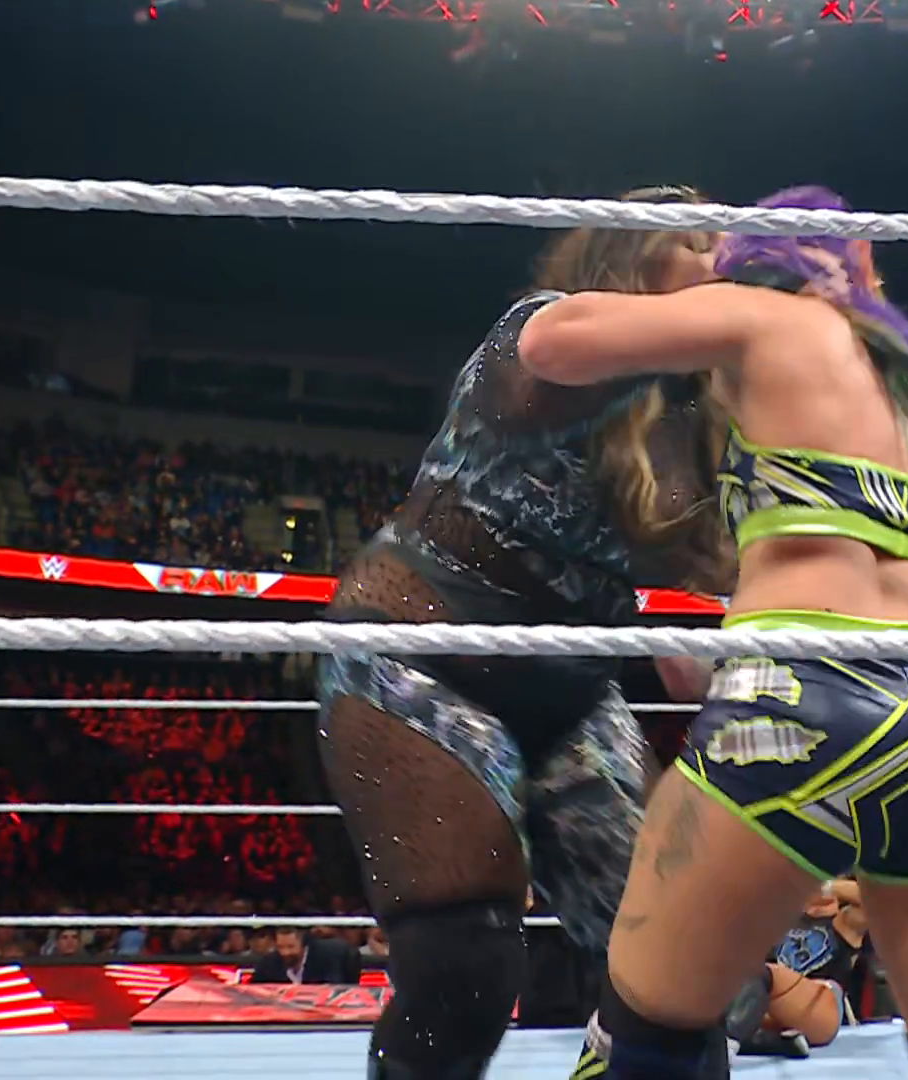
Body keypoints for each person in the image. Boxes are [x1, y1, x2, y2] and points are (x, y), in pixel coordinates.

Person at [520, 185, 908, 1080]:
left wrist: (689, 274)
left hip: (795, 695)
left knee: (643, 1037)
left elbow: (549, 341)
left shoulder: (770, 321)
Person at [314, 187, 732, 1079]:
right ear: (631, 255)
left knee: (677, 968)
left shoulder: (700, 415)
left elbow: (723, 563)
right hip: (420, 658)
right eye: (695, 242)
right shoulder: (547, 327)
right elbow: (553, 348)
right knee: (463, 969)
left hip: (575, 688)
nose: (719, 257)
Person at [753, 878, 873, 1052]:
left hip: (819, 1008)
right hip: (771, 1009)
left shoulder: (844, 924)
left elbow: (875, 900)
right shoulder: (779, 920)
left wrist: (825, 887)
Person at [252, 926, 363, 985]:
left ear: (304, 945)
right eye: (280, 947)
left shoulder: (327, 959)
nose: (285, 953)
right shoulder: (268, 964)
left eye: (291, 947)